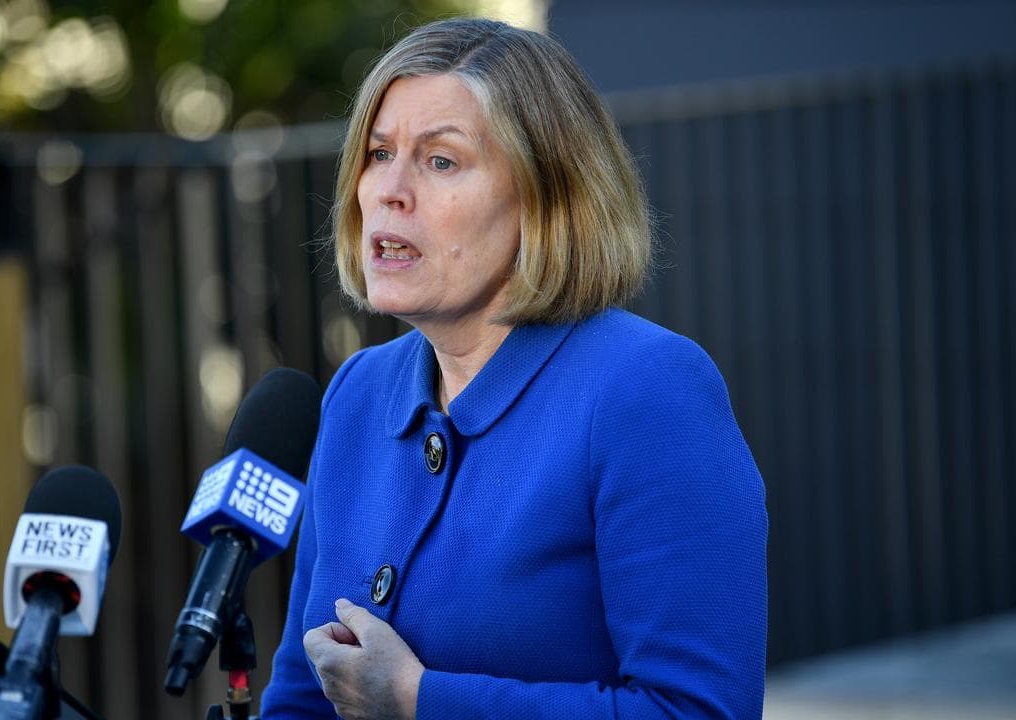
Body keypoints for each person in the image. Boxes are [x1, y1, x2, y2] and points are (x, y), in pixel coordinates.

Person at [261, 16, 767, 720]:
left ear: (546, 196)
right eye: (378, 153)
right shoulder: (357, 394)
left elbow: (701, 711)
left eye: (441, 161)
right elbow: (299, 698)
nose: (388, 190)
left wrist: (419, 699)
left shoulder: (647, 390)